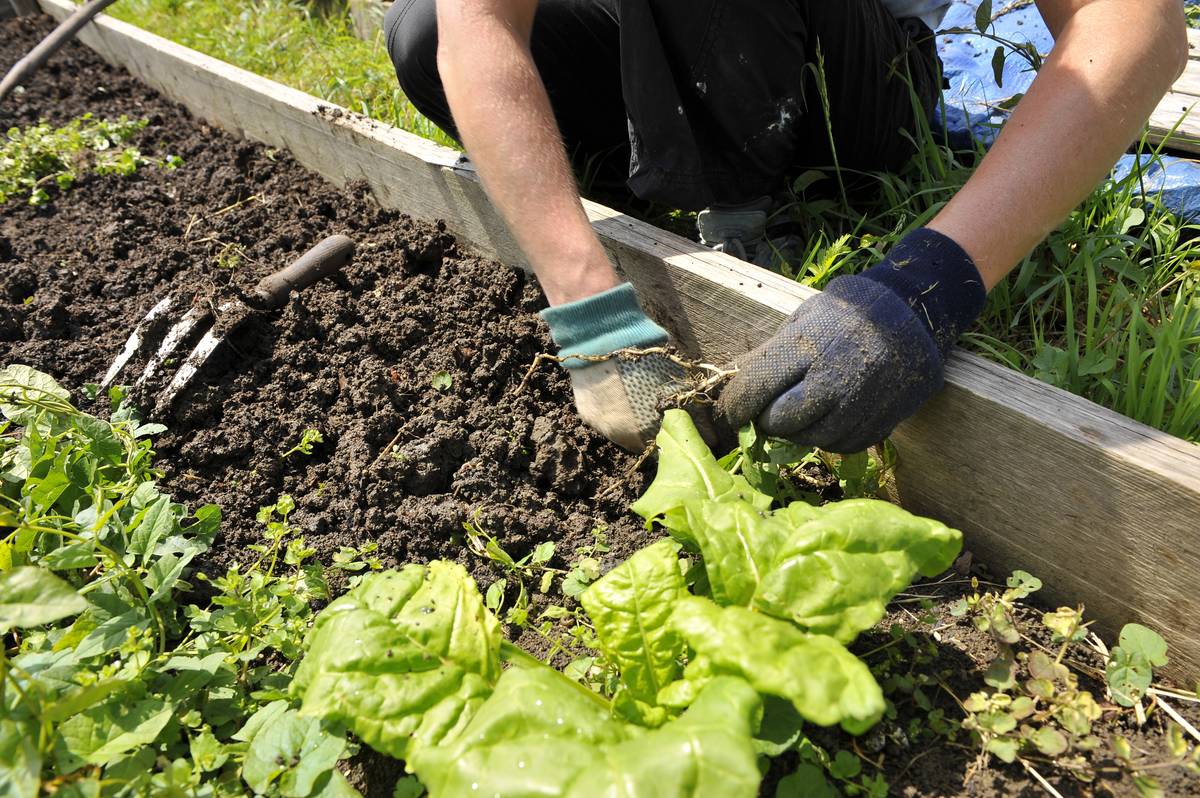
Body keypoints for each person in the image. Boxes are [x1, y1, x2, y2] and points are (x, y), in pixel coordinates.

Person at [383, 0, 1187, 453]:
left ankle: (757, 226)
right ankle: (670, 167)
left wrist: (931, 283)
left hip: (853, 76)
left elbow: (1136, 27)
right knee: (419, 30)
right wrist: (586, 300)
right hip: (664, 39)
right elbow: (475, 25)